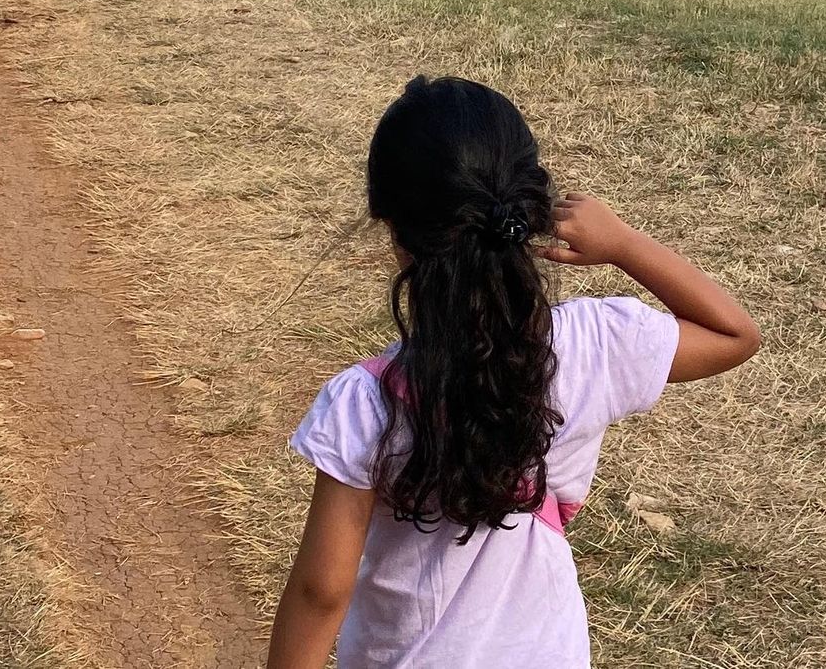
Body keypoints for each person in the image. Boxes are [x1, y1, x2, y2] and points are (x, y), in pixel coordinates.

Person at [268, 76, 760, 669]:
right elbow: (734, 334)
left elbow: (321, 593)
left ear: (392, 227)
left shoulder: (365, 402)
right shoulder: (592, 346)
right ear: (531, 210)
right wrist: (624, 244)